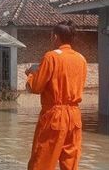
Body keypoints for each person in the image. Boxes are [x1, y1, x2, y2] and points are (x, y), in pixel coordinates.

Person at [25, 21, 87, 170]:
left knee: (41, 161)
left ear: (55, 37)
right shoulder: (81, 59)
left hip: (55, 115)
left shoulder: (51, 57)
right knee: (70, 163)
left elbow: (35, 87)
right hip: (74, 116)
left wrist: (31, 74)